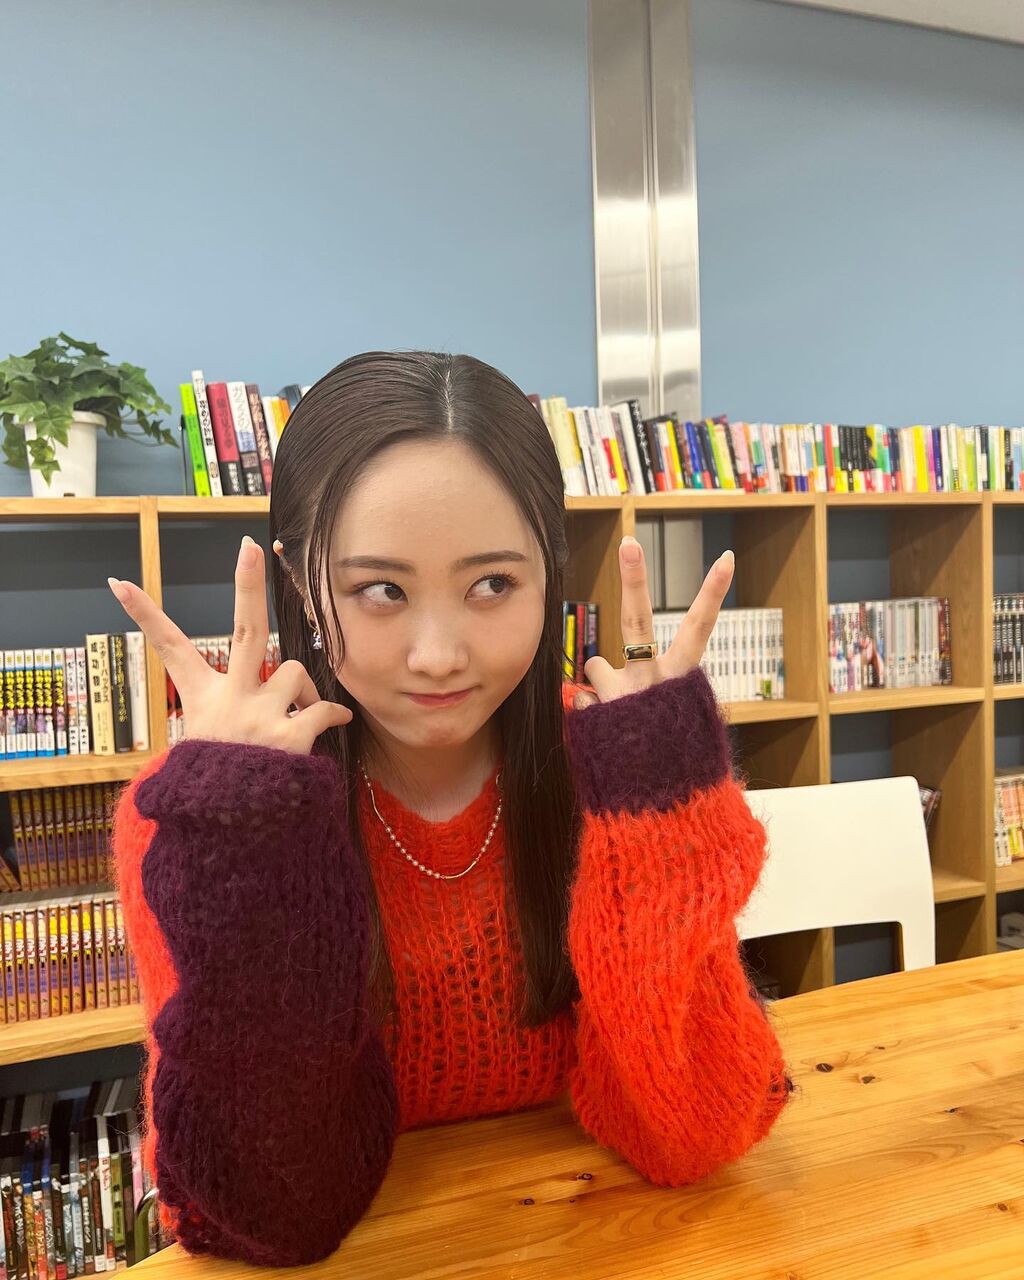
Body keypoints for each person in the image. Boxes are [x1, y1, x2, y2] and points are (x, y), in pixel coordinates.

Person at [107, 351, 794, 1268]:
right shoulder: (204, 816)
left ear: (551, 573)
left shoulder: (619, 769)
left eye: (493, 585)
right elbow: (267, 1211)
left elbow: (698, 1133)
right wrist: (242, 839)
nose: (438, 655)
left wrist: (662, 804)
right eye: (380, 590)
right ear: (300, 581)